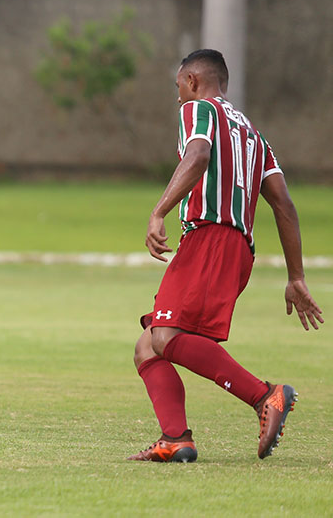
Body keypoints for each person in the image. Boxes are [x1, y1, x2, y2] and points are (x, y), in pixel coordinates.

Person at [128, 49, 324, 462]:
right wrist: (296, 277)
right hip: (238, 252)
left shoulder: (198, 110)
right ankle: (175, 439)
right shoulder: (254, 136)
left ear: (193, 81)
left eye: (179, 86)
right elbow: (284, 205)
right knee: (148, 346)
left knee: (165, 337)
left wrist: (159, 211)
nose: (178, 96)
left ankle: (264, 396)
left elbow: (198, 155)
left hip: (209, 238)